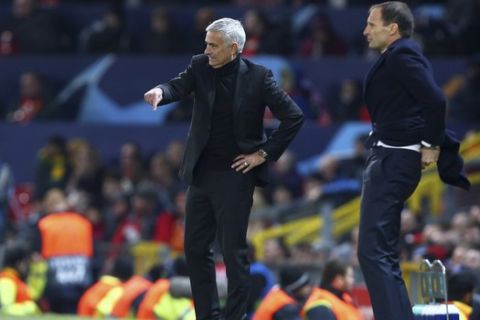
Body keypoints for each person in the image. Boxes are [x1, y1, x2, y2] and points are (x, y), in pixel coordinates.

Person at [144, 17, 304, 320]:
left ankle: (235, 316)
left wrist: (264, 154)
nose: (206, 50)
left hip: (235, 174)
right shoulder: (200, 66)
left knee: (234, 253)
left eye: (213, 45)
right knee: (194, 249)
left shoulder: (259, 77)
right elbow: (179, 85)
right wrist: (161, 92)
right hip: (201, 172)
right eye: (206, 43)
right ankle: (208, 316)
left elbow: (294, 116)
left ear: (233, 48)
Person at [358, 2, 470, 320]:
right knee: (380, 253)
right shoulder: (396, 56)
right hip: (390, 156)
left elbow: (435, 99)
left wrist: (432, 144)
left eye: (371, 24)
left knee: (372, 252)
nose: (365, 30)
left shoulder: (403, 53)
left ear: (392, 28)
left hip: (394, 158)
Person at [253, 267, 318, 320]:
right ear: (296, 288)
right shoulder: (287, 308)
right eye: (305, 286)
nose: (309, 289)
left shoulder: (277, 296)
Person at [0, 242, 40, 316]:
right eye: (26, 262)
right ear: (19, 263)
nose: (27, 266)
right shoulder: (7, 280)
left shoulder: (15, 279)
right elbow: (6, 309)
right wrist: (30, 308)